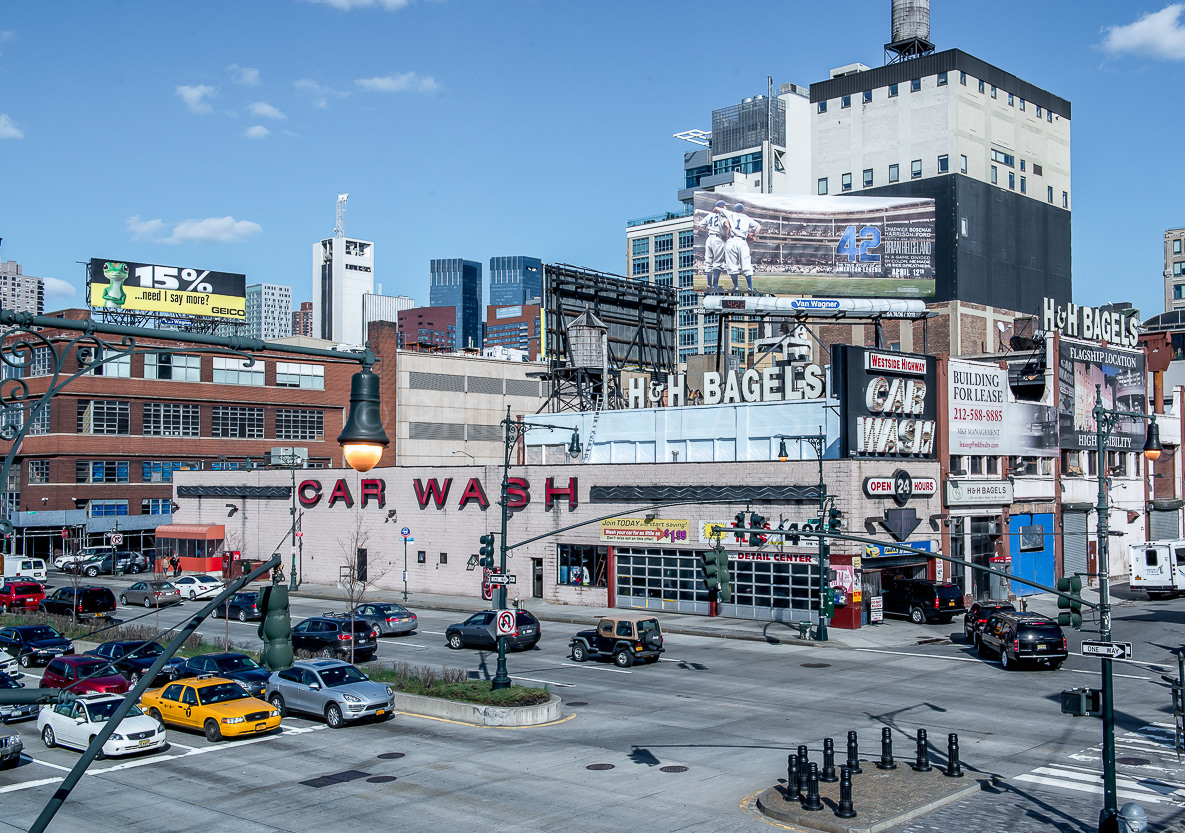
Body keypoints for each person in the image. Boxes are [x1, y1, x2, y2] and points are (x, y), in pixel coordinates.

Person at [725, 202, 762, 294]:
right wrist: (753, 235)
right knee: (746, 264)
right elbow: (758, 226)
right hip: (742, 241)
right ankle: (750, 288)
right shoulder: (747, 218)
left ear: (735, 210)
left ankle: (736, 287)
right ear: (743, 210)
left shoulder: (731, 214)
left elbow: (717, 209)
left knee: (732, 265)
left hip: (732, 240)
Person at [696, 199, 731, 294]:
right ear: (722, 207)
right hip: (718, 239)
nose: (726, 207)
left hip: (709, 239)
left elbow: (699, 226)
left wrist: (707, 231)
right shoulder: (722, 215)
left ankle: (709, 285)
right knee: (717, 263)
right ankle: (715, 285)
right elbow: (727, 225)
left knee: (708, 263)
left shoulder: (709, 215)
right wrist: (726, 236)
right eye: (724, 206)